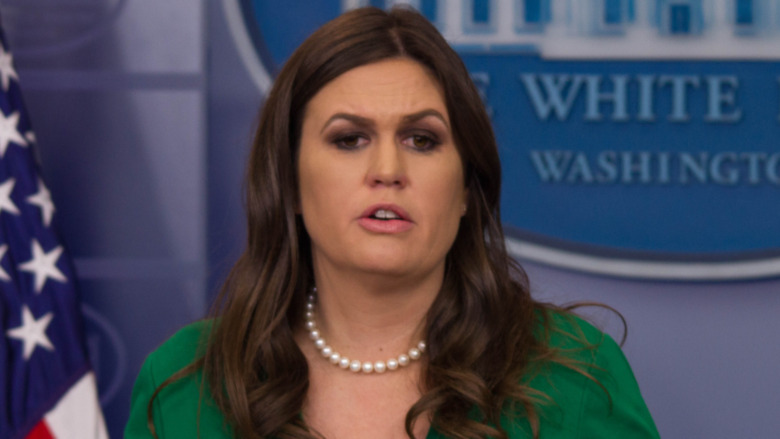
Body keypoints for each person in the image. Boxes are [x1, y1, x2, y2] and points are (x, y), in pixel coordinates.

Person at [125, 6, 659, 439]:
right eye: (348, 139)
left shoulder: (573, 375)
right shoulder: (185, 384)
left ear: (467, 188)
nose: (387, 171)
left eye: (421, 140)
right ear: (288, 182)